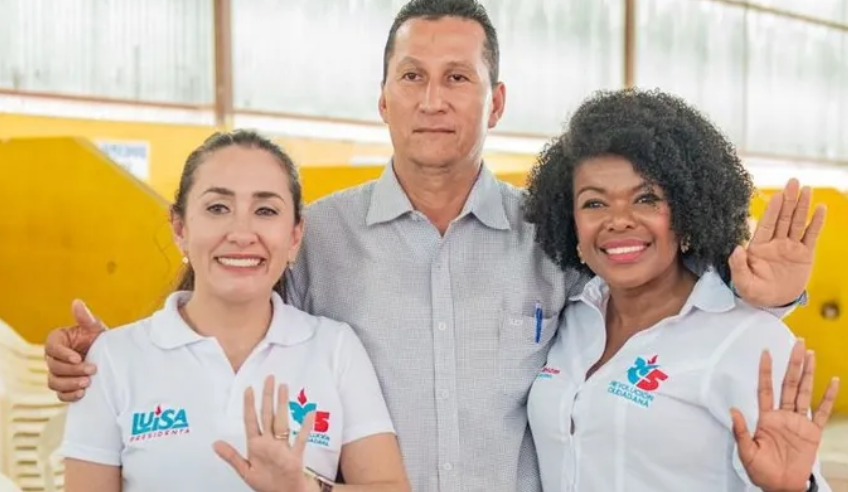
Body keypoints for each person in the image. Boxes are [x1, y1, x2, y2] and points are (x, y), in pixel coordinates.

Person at [44, 1, 825, 491]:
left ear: (497, 101)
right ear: (383, 98)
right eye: (412, 76)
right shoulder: (319, 235)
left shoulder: (554, 233)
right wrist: (109, 360)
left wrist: (767, 294)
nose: (433, 100)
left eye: (459, 78)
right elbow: (229, 307)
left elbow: (652, 286)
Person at [58, 130, 411, 492]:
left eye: (265, 211)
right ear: (180, 229)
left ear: (294, 237)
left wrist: (304, 489)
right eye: (217, 208)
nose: (242, 233)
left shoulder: (334, 348)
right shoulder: (113, 358)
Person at [523, 89, 838, 492]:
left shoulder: (751, 340)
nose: (619, 220)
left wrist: (794, 489)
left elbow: (792, 472)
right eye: (594, 204)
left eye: (646, 199)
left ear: (688, 212)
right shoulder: (569, 318)